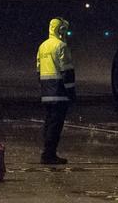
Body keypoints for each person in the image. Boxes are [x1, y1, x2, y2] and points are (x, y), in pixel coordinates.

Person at [36, 17, 75, 164]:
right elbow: (67, 72)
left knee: (48, 123)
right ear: (60, 30)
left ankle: (47, 151)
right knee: (55, 125)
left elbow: (39, 71)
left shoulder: (42, 46)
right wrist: (71, 92)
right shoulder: (61, 46)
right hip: (59, 92)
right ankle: (49, 154)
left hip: (46, 92)